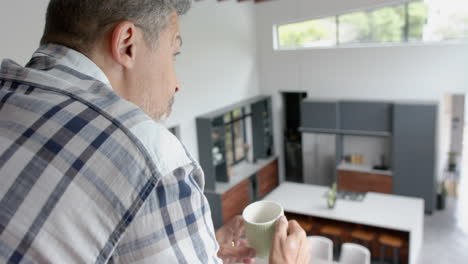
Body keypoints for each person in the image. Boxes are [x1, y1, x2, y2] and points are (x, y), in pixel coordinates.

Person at [0, 0, 310, 263]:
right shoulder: (154, 162)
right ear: (127, 44)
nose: (177, 83)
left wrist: (205, 248)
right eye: (174, 54)